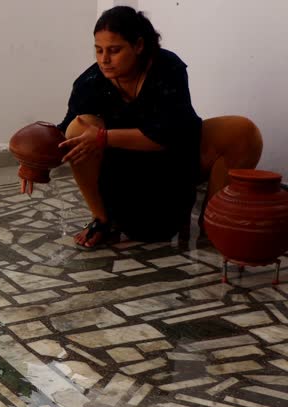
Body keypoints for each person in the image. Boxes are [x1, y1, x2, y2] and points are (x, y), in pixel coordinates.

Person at [56, 6, 262, 248]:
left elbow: (169, 135)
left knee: (241, 131)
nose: (104, 59)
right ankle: (102, 219)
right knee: (77, 129)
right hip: (126, 176)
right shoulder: (89, 82)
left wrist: (103, 137)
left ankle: (214, 220)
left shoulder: (167, 67)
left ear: (139, 46)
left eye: (114, 50)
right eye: (99, 50)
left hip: (175, 164)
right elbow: (63, 135)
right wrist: (31, 162)